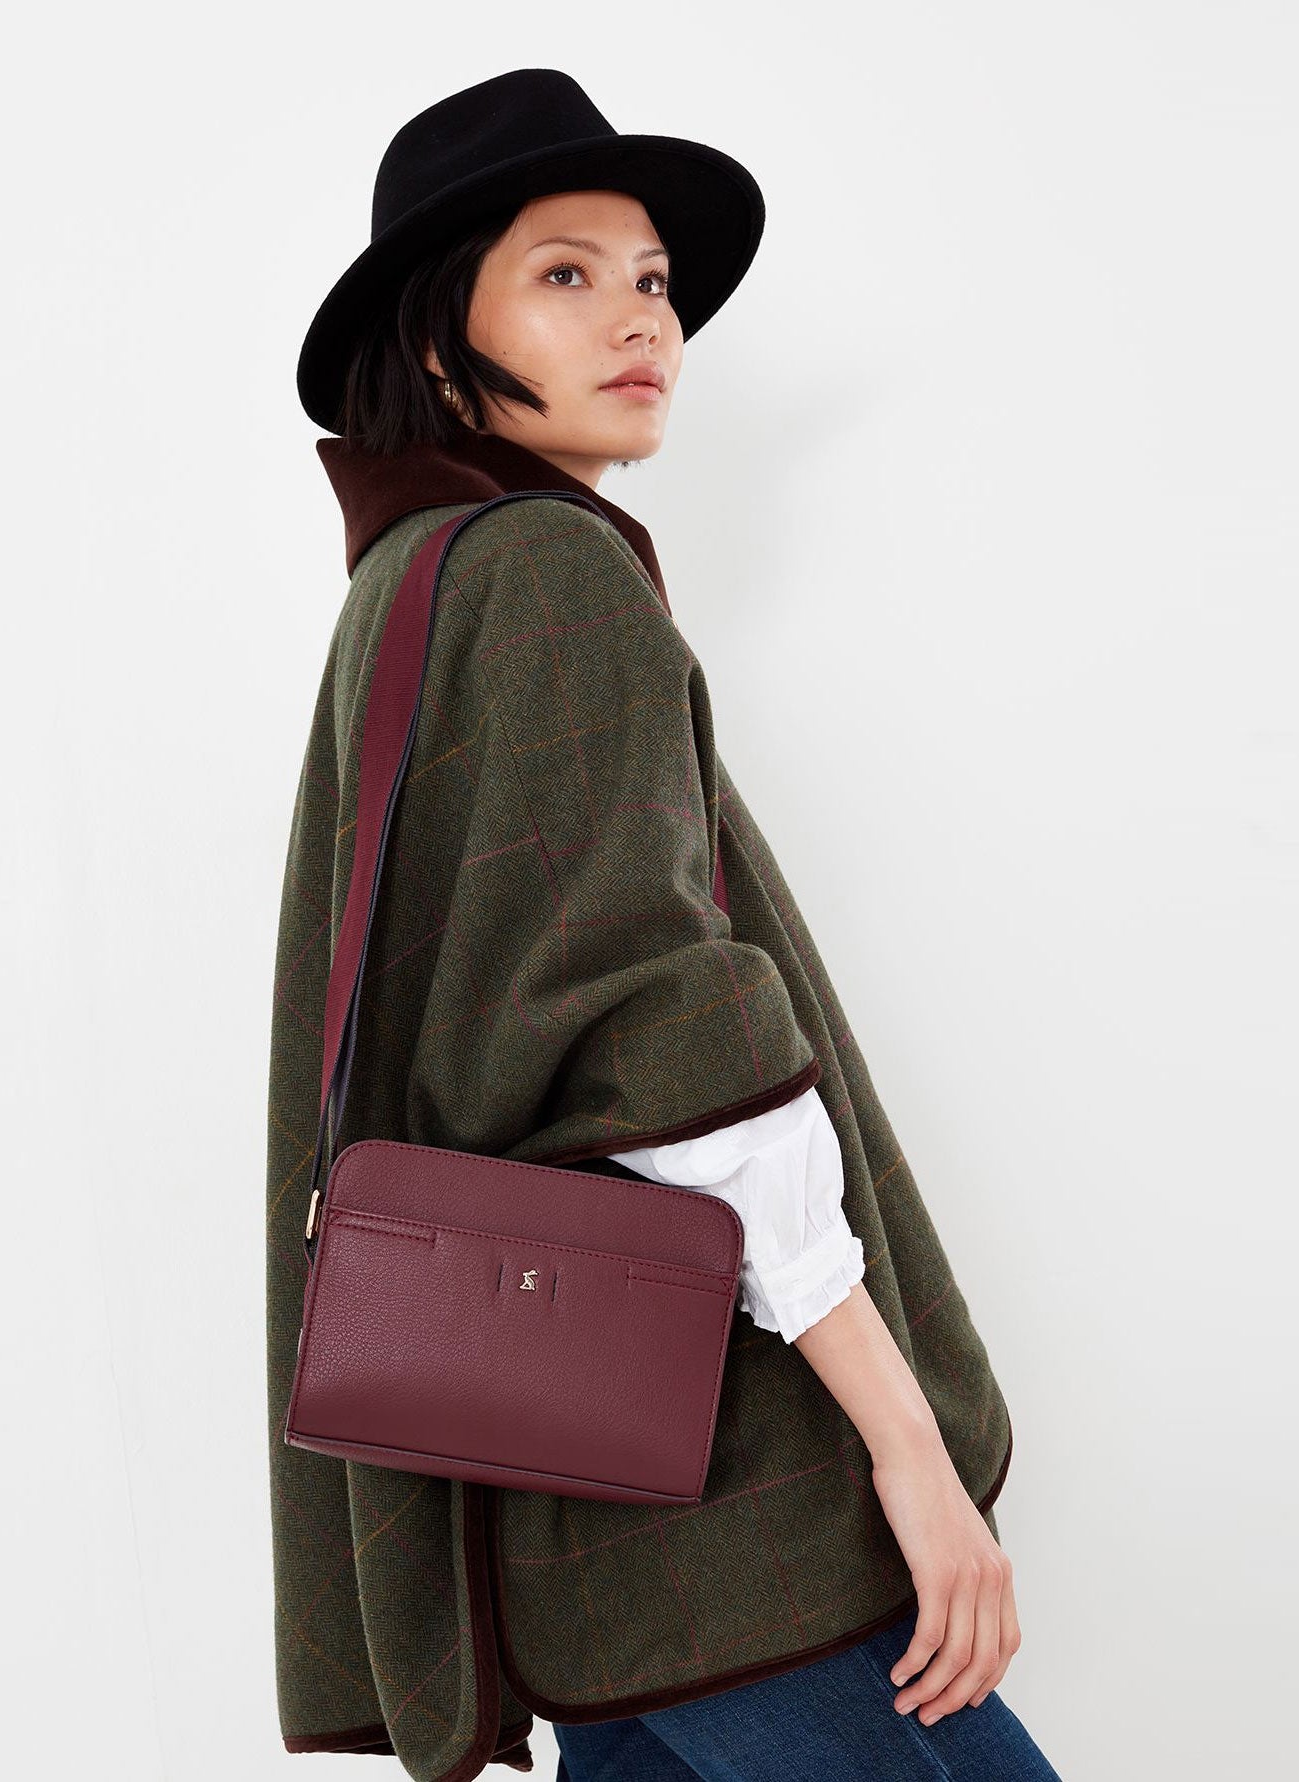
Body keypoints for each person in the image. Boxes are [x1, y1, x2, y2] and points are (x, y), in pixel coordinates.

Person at [267, 68, 1059, 1781]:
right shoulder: (548, 572)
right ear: (440, 335)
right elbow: (663, 1040)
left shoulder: (409, 585)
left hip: (572, 1503)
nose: (642, 319)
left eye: (653, 283)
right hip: (721, 1510)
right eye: (566, 273)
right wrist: (908, 1446)